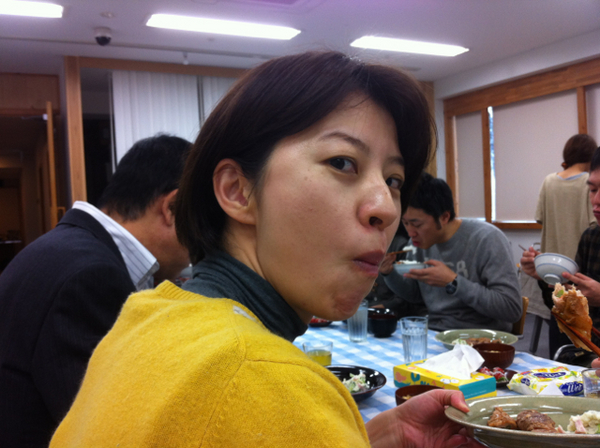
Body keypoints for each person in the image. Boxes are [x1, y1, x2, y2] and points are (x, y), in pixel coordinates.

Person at [50, 51, 484, 448]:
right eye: (342, 162)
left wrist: (377, 436)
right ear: (237, 191)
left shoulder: (145, 316)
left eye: (393, 180)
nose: (386, 209)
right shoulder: (268, 381)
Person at [0, 134, 192, 448]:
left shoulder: (66, 248)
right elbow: (112, 430)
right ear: (172, 207)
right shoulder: (91, 277)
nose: (203, 241)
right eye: (203, 221)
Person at [379, 173, 522, 332]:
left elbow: (511, 308)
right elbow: (415, 296)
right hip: (436, 332)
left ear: (444, 217)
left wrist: (452, 281)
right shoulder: (417, 244)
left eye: (417, 224)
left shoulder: (487, 239)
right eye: (405, 223)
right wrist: (389, 274)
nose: (410, 233)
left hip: (482, 335)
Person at [522, 144, 600, 355]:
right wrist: (547, 277)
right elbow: (567, 313)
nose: (596, 200)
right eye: (593, 190)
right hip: (588, 355)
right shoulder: (591, 238)